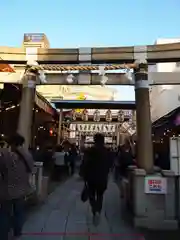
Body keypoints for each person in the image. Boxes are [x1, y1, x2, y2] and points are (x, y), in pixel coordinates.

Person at [0, 133, 34, 240]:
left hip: (6, 189)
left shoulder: (5, 155)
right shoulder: (27, 155)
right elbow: (31, 169)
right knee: (19, 211)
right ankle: (17, 232)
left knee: (5, 213)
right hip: (21, 188)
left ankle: (3, 234)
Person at [81, 133, 111, 226]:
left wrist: (84, 174)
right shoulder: (107, 152)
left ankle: (94, 210)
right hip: (102, 177)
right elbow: (109, 165)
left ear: (94, 140)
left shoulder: (90, 151)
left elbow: (85, 163)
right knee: (100, 195)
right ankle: (98, 210)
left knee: (91, 195)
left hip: (91, 177)